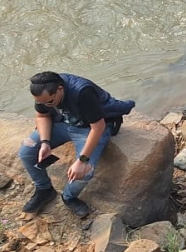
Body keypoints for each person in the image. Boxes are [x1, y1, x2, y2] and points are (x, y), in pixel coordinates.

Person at [19, 71, 135, 218]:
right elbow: (42, 115)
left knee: (85, 170)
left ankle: (68, 196)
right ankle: (44, 189)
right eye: (40, 102)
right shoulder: (43, 91)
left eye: (49, 102)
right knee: (26, 151)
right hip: (63, 123)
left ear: (60, 89)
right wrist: (45, 142)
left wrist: (82, 160)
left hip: (89, 128)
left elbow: (98, 127)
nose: (44, 105)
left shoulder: (82, 92)